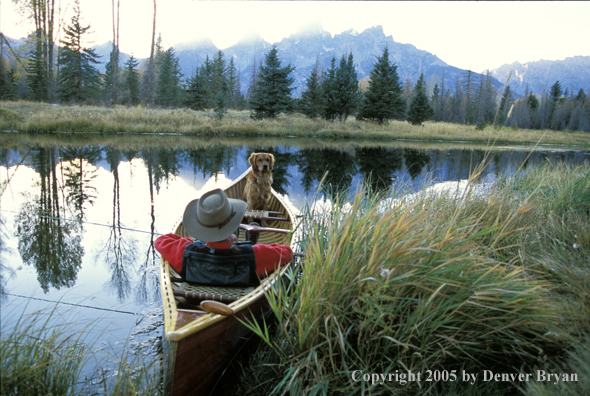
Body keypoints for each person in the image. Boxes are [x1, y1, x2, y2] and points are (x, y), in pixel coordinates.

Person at [154, 188, 293, 280]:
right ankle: (249, 240)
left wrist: (197, 243)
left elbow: (161, 241)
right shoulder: (255, 254)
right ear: (233, 226)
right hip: (241, 282)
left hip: (197, 290)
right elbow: (287, 252)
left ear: (202, 227)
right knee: (250, 244)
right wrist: (251, 246)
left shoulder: (184, 252)